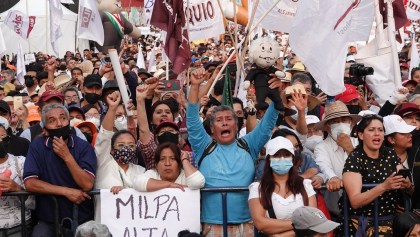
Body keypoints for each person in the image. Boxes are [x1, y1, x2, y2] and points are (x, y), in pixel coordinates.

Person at [187, 68, 281, 236]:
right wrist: (194, 86)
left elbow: (267, 124)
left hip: (247, 225)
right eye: (219, 120)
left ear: (237, 126)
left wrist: (276, 94)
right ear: (211, 128)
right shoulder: (203, 146)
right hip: (212, 226)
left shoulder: (249, 144)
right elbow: (193, 120)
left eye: (229, 119)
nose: (224, 123)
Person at [23, 103, 97, 237]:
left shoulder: (84, 146)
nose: (58, 124)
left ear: (69, 123)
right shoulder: (37, 147)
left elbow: (87, 184)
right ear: (45, 130)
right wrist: (66, 191)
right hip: (48, 221)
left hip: (81, 219)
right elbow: (30, 183)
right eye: (52, 121)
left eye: (63, 118)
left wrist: (67, 156)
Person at [342, 114, 412, 236]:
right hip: (361, 224)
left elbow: (407, 186)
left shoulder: (390, 154)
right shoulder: (354, 159)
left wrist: (407, 185)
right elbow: (355, 201)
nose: (377, 133)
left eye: (380, 130)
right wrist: (384, 186)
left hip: (391, 221)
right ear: (361, 135)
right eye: (371, 130)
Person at [249, 136, 317, 236]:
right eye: (276, 155)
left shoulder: (305, 185)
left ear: (292, 158)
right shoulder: (257, 188)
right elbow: (260, 223)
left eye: (286, 155)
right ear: (269, 159)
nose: (282, 159)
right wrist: (300, 224)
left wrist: (281, 236)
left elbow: (313, 222)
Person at [94, 91, 145, 221]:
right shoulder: (104, 163)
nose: (126, 148)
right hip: (106, 226)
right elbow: (104, 136)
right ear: (111, 149)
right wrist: (112, 108)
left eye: (131, 145)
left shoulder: (142, 171)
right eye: (121, 145)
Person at [313, 101, 361, 216]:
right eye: (335, 122)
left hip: (362, 206)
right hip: (336, 211)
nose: (340, 124)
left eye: (344, 120)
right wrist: (332, 177)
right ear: (327, 127)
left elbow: (367, 168)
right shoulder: (321, 147)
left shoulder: (360, 143)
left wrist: (350, 150)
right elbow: (324, 166)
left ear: (351, 124)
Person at [0, 123, 31, 237]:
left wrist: (17, 188)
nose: (1, 142)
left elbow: (33, 202)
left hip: (18, 227)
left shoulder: (21, 162)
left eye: (4, 137)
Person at [133, 142, 204, 191]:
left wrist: (185, 160)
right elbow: (137, 182)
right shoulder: (153, 174)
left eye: (172, 158)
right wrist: (169, 185)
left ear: (179, 163)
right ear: (156, 165)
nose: (167, 163)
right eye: (162, 159)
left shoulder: (185, 176)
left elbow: (197, 182)